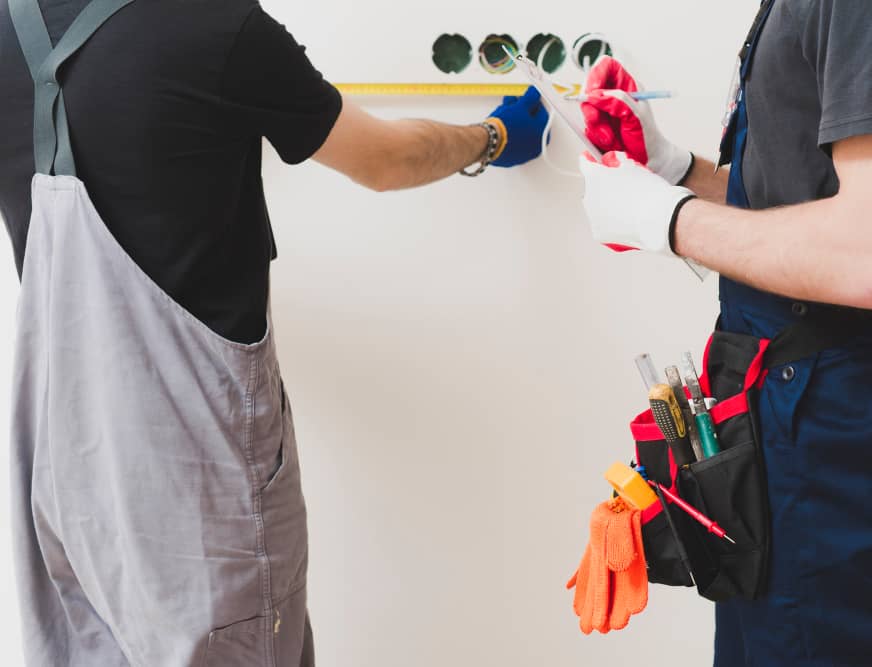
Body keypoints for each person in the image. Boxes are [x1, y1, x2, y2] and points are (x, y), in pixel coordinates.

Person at [0, 0, 548, 664]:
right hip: (197, 482)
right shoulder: (211, 23)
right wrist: (492, 136)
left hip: (61, 466)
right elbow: (387, 160)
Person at [578, 1, 872, 665]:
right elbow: (803, 205)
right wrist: (674, 172)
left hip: (819, 406)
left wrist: (667, 218)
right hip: (778, 394)